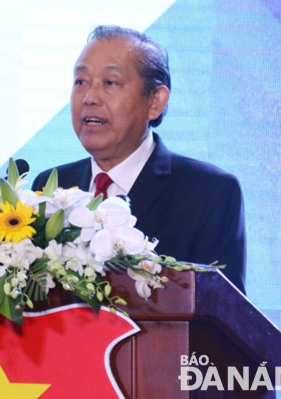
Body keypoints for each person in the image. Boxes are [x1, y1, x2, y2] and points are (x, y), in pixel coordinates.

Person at [32, 25, 246, 293]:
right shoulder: (52, 187)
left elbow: (225, 316)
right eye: (80, 82)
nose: (89, 98)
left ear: (155, 101)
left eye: (110, 83)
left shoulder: (210, 193)